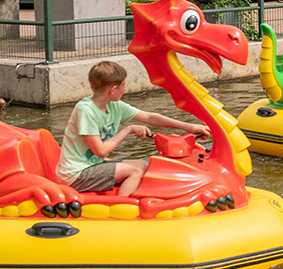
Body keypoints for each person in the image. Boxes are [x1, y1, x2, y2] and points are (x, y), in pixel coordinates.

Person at [56, 61, 209, 197]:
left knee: (143, 164)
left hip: (92, 166)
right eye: (123, 85)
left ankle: (127, 197)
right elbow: (100, 150)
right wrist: (127, 129)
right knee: (135, 170)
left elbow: (150, 118)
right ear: (113, 89)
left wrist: (189, 127)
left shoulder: (113, 105)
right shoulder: (86, 110)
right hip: (75, 174)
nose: (124, 88)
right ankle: (122, 208)